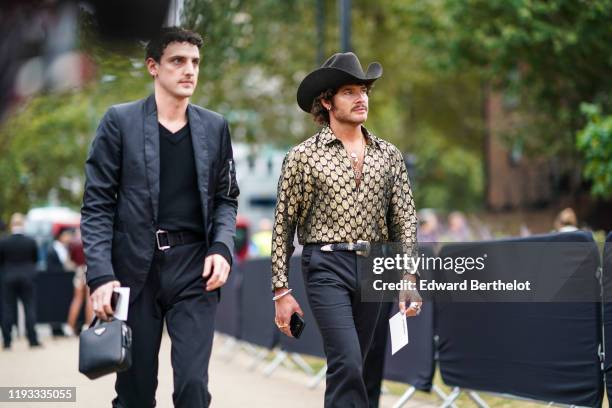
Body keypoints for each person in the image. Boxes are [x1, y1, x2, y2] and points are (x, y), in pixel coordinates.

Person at [81, 27, 239, 407]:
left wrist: (221, 247)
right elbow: (97, 205)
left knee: (192, 388)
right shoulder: (119, 122)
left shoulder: (214, 127)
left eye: (195, 62)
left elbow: (226, 198)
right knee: (135, 393)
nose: (189, 70)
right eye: (178, 61)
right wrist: (101, 276)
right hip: (134, 271)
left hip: (194, 270)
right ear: (153, 66)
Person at [271, 52, 421, 407]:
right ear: (327, 100)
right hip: (326, 266)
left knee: (365, 369)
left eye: (364, 91)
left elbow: (406, 219)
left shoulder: (389, 155)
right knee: (347, 361)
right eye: (350, 92)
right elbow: (283, 224)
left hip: (376, 267)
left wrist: (409, 276)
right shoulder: (303, 156)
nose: (361, 99)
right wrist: (281, 290)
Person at [0, 213, 41, 349]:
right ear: (23, 224)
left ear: (12, 225)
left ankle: (7, 341)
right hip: (27, 277)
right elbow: (35, 259)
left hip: (8, 277)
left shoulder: (4, 241)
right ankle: (33, 340)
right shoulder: (30, 241)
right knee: (29, 308)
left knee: (7, 309)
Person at [66, 229, 93, 334]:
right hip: (89, 269)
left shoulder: (73, 243)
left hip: (78, 271)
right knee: (89, 299)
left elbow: (70, 260)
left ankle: (69, 326)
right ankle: (87, 325)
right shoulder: (90, 239)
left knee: (77, 299)